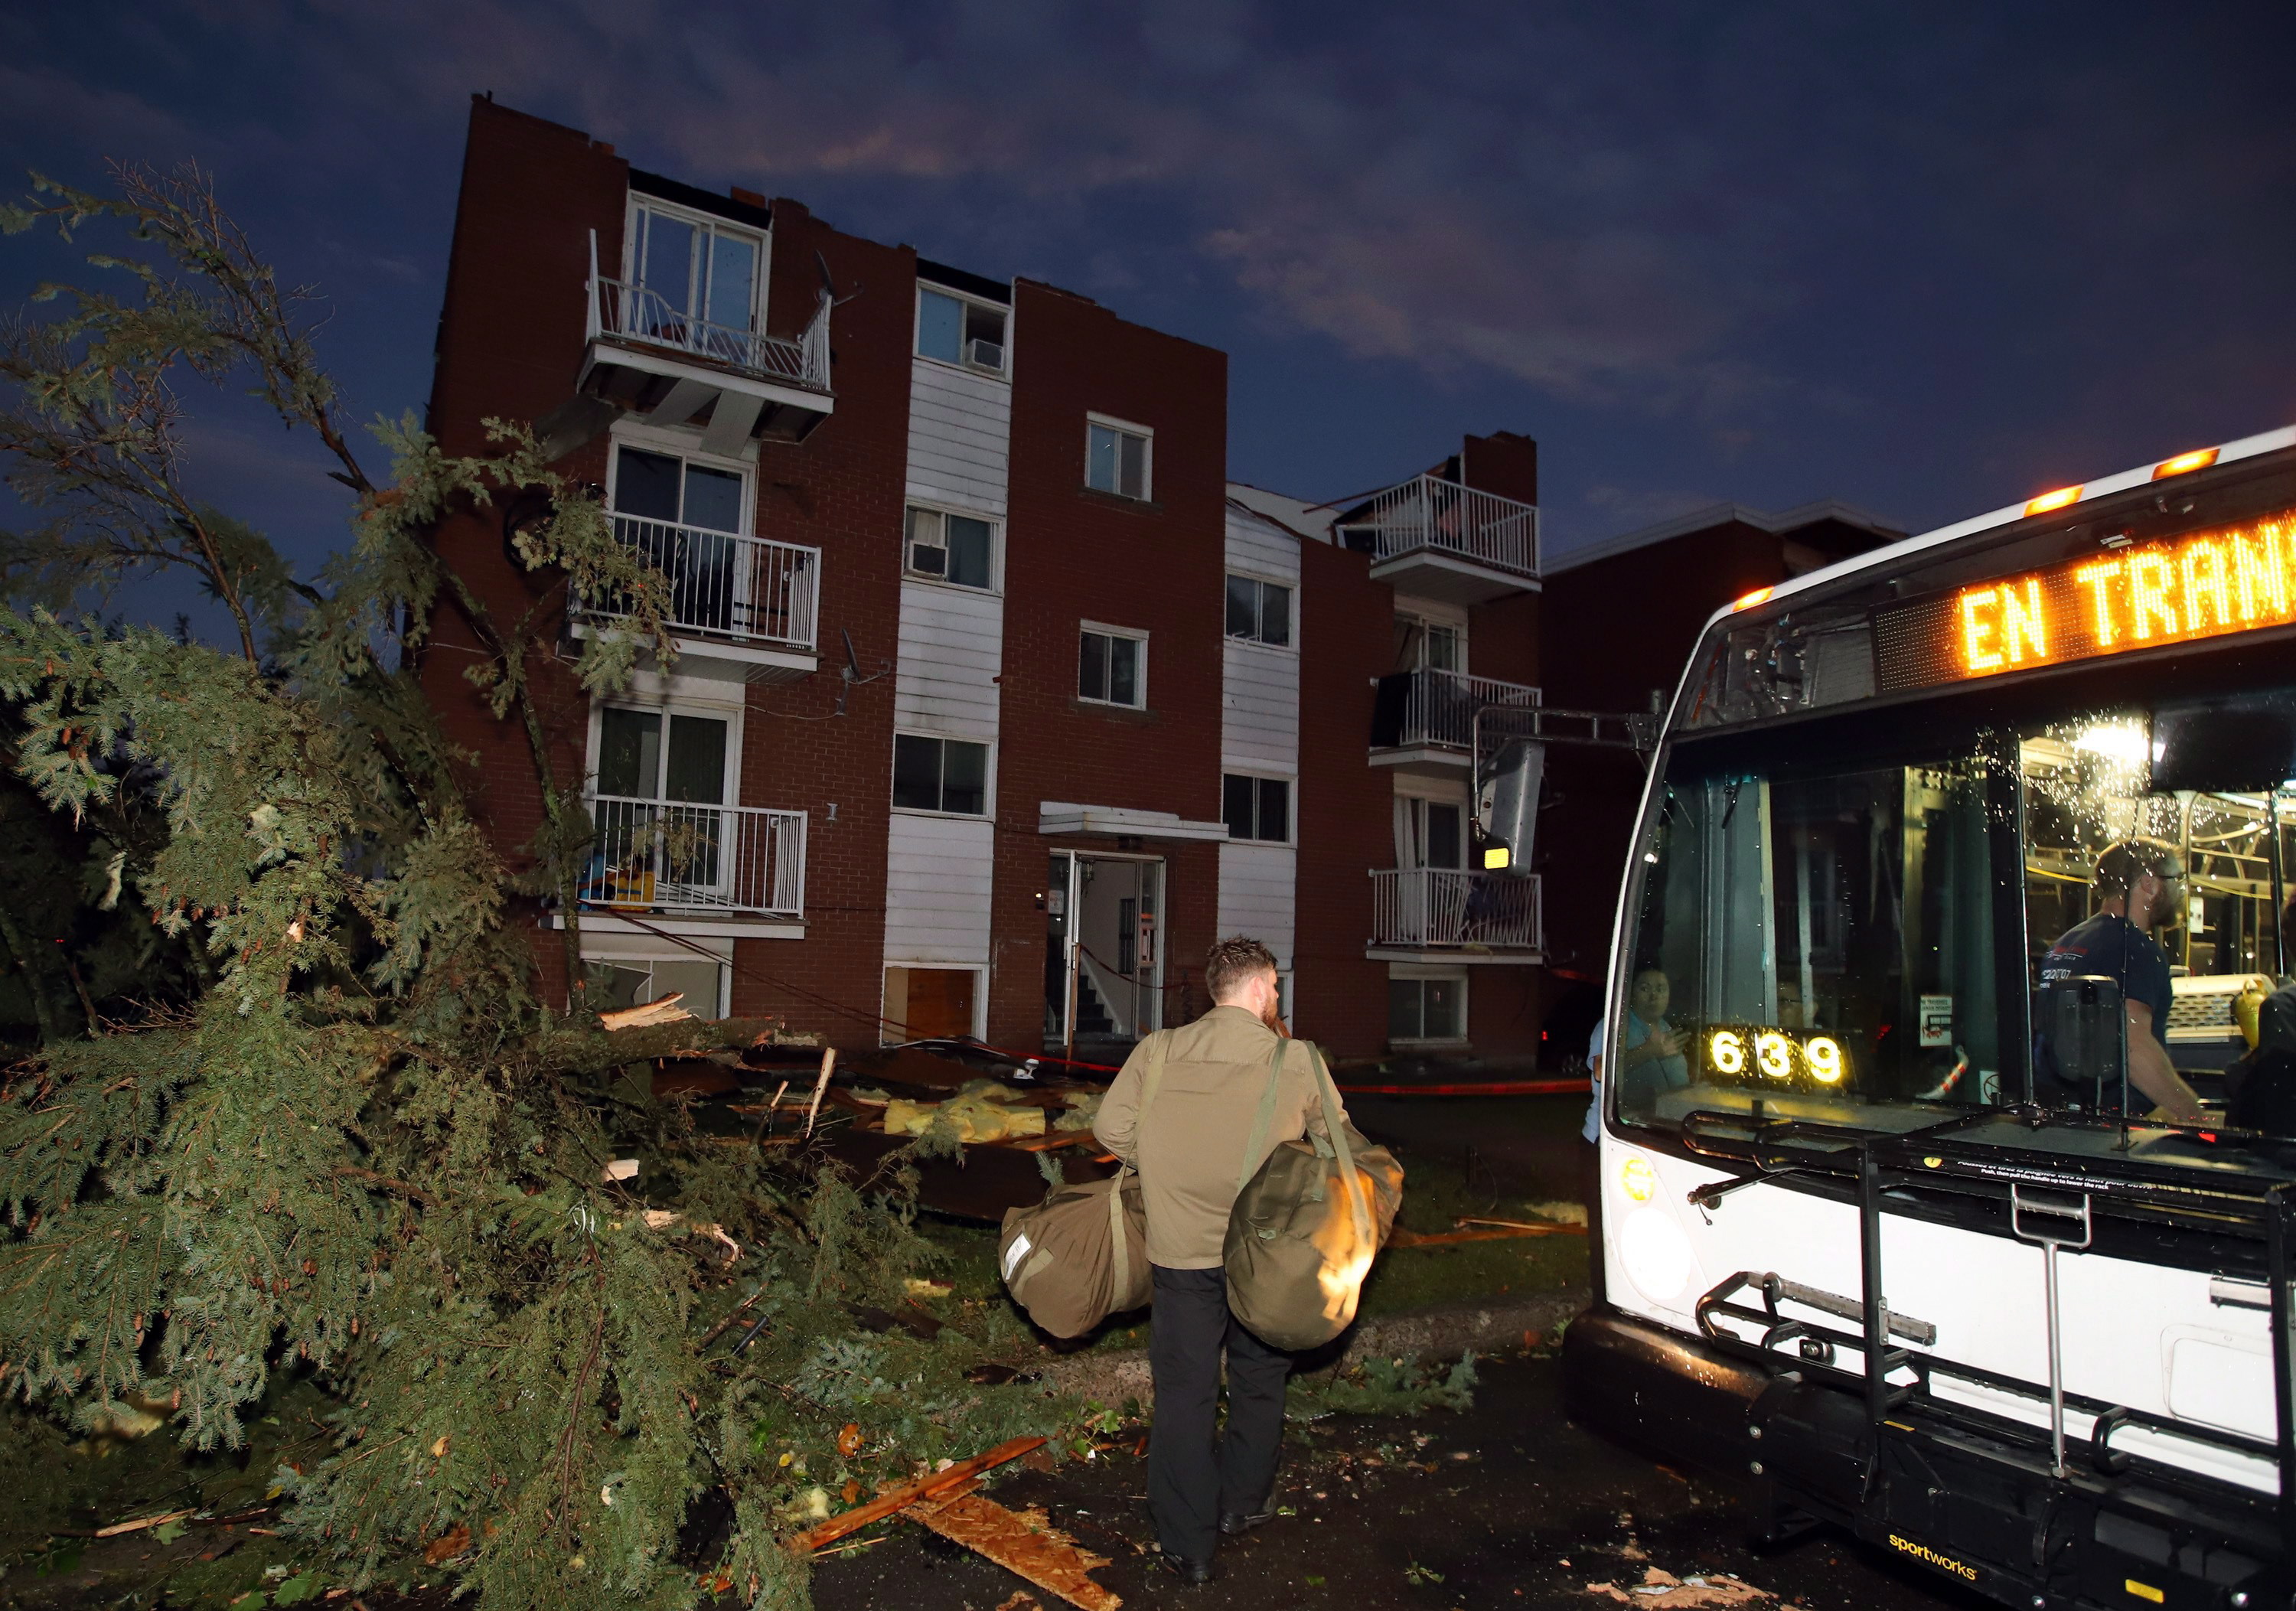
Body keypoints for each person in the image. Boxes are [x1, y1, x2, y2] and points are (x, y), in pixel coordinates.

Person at [1092, 937, 1335, 1585]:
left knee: (1185, 1392)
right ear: (1258, 989)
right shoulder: (1297, 1059)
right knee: (1259, 1377)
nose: (1278, 998)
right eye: (1276, 988)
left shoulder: (1159, 1049)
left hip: (1182, 1256)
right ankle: (1242, 1505)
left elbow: (1109, 1129)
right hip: (1266, 1259)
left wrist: (1166, 1162)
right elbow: (1338, 1143)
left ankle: (1188, 1543)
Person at [2036, 840, 2205, 1123]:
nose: (2181, 891)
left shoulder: (2067, 943)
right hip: (2114, 1127)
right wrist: (2197, 1117)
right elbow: (2133, 1048)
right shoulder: (2134, 949)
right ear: (2149, 884)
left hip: (2061, 1117)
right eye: (2176, 880)